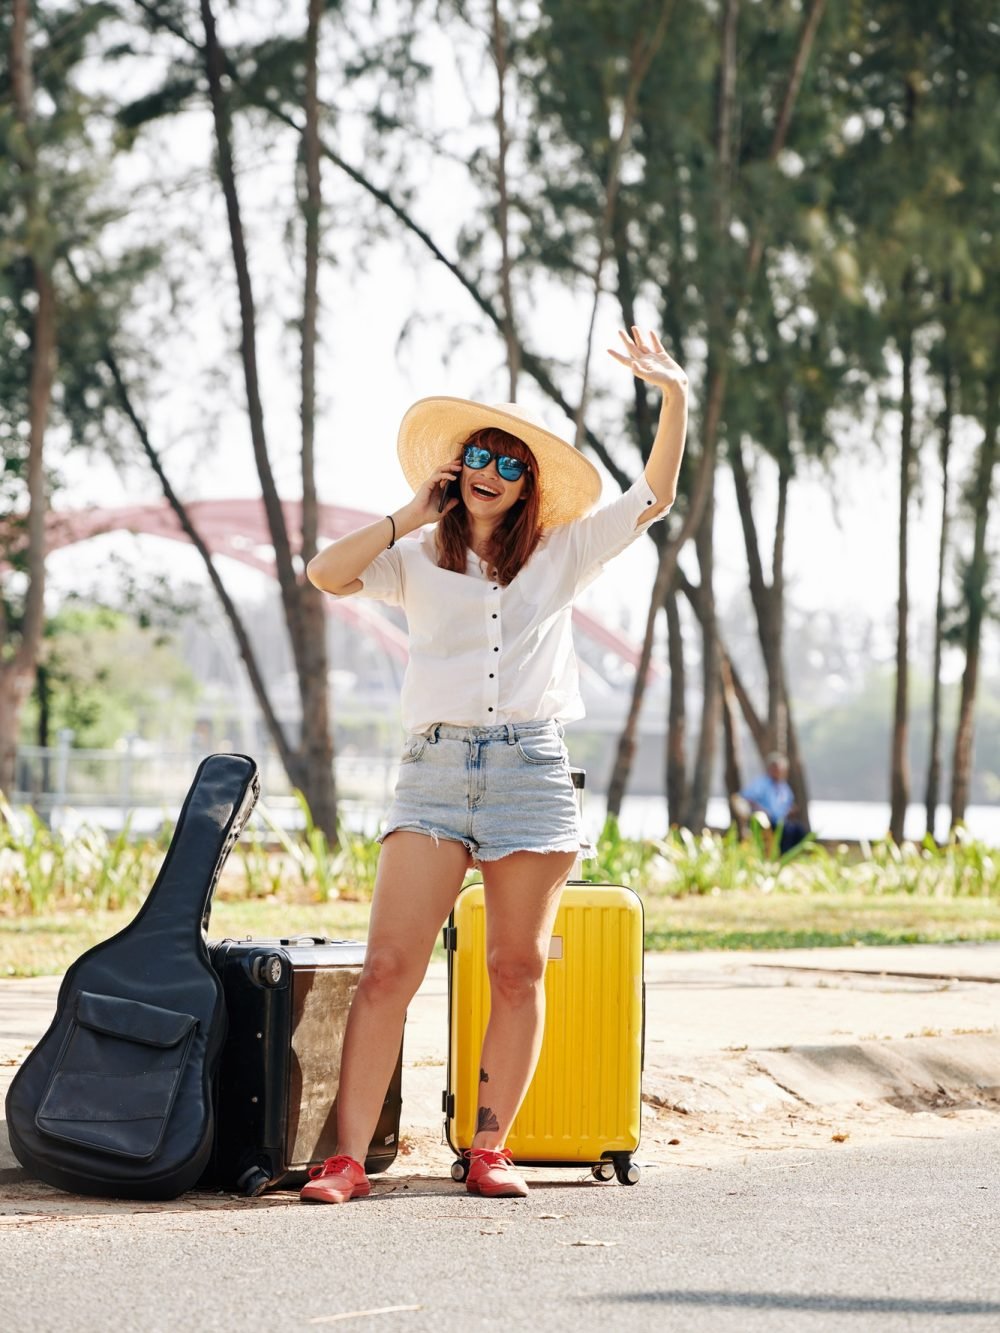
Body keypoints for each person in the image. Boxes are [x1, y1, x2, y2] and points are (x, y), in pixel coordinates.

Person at [301, 328, 688, 1203]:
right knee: (387, 968)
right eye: (478, 455)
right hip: (432, 771)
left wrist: (675, 396)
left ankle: (487, 1148)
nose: (491, 471)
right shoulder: (414, 560)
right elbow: (325, 573)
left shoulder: (562, 555)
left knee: (518, 967)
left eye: (510, 464)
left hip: (529, 772)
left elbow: (654, 497)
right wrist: (411, 510)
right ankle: (346, 1159)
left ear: (529, 486)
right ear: (455, 467)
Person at [737, 752, 807, 853]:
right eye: (775, 768)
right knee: (786, 832)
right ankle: (779, 857)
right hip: (766, 822)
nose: (778, 771)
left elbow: (789, 803)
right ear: (770, 769)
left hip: (782, 820)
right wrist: (761, 810)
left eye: (780, 769)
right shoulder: (761, 783)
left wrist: (791, 810)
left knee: (799, 831)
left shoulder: (783, 786)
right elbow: (746, 798)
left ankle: (792, 857)